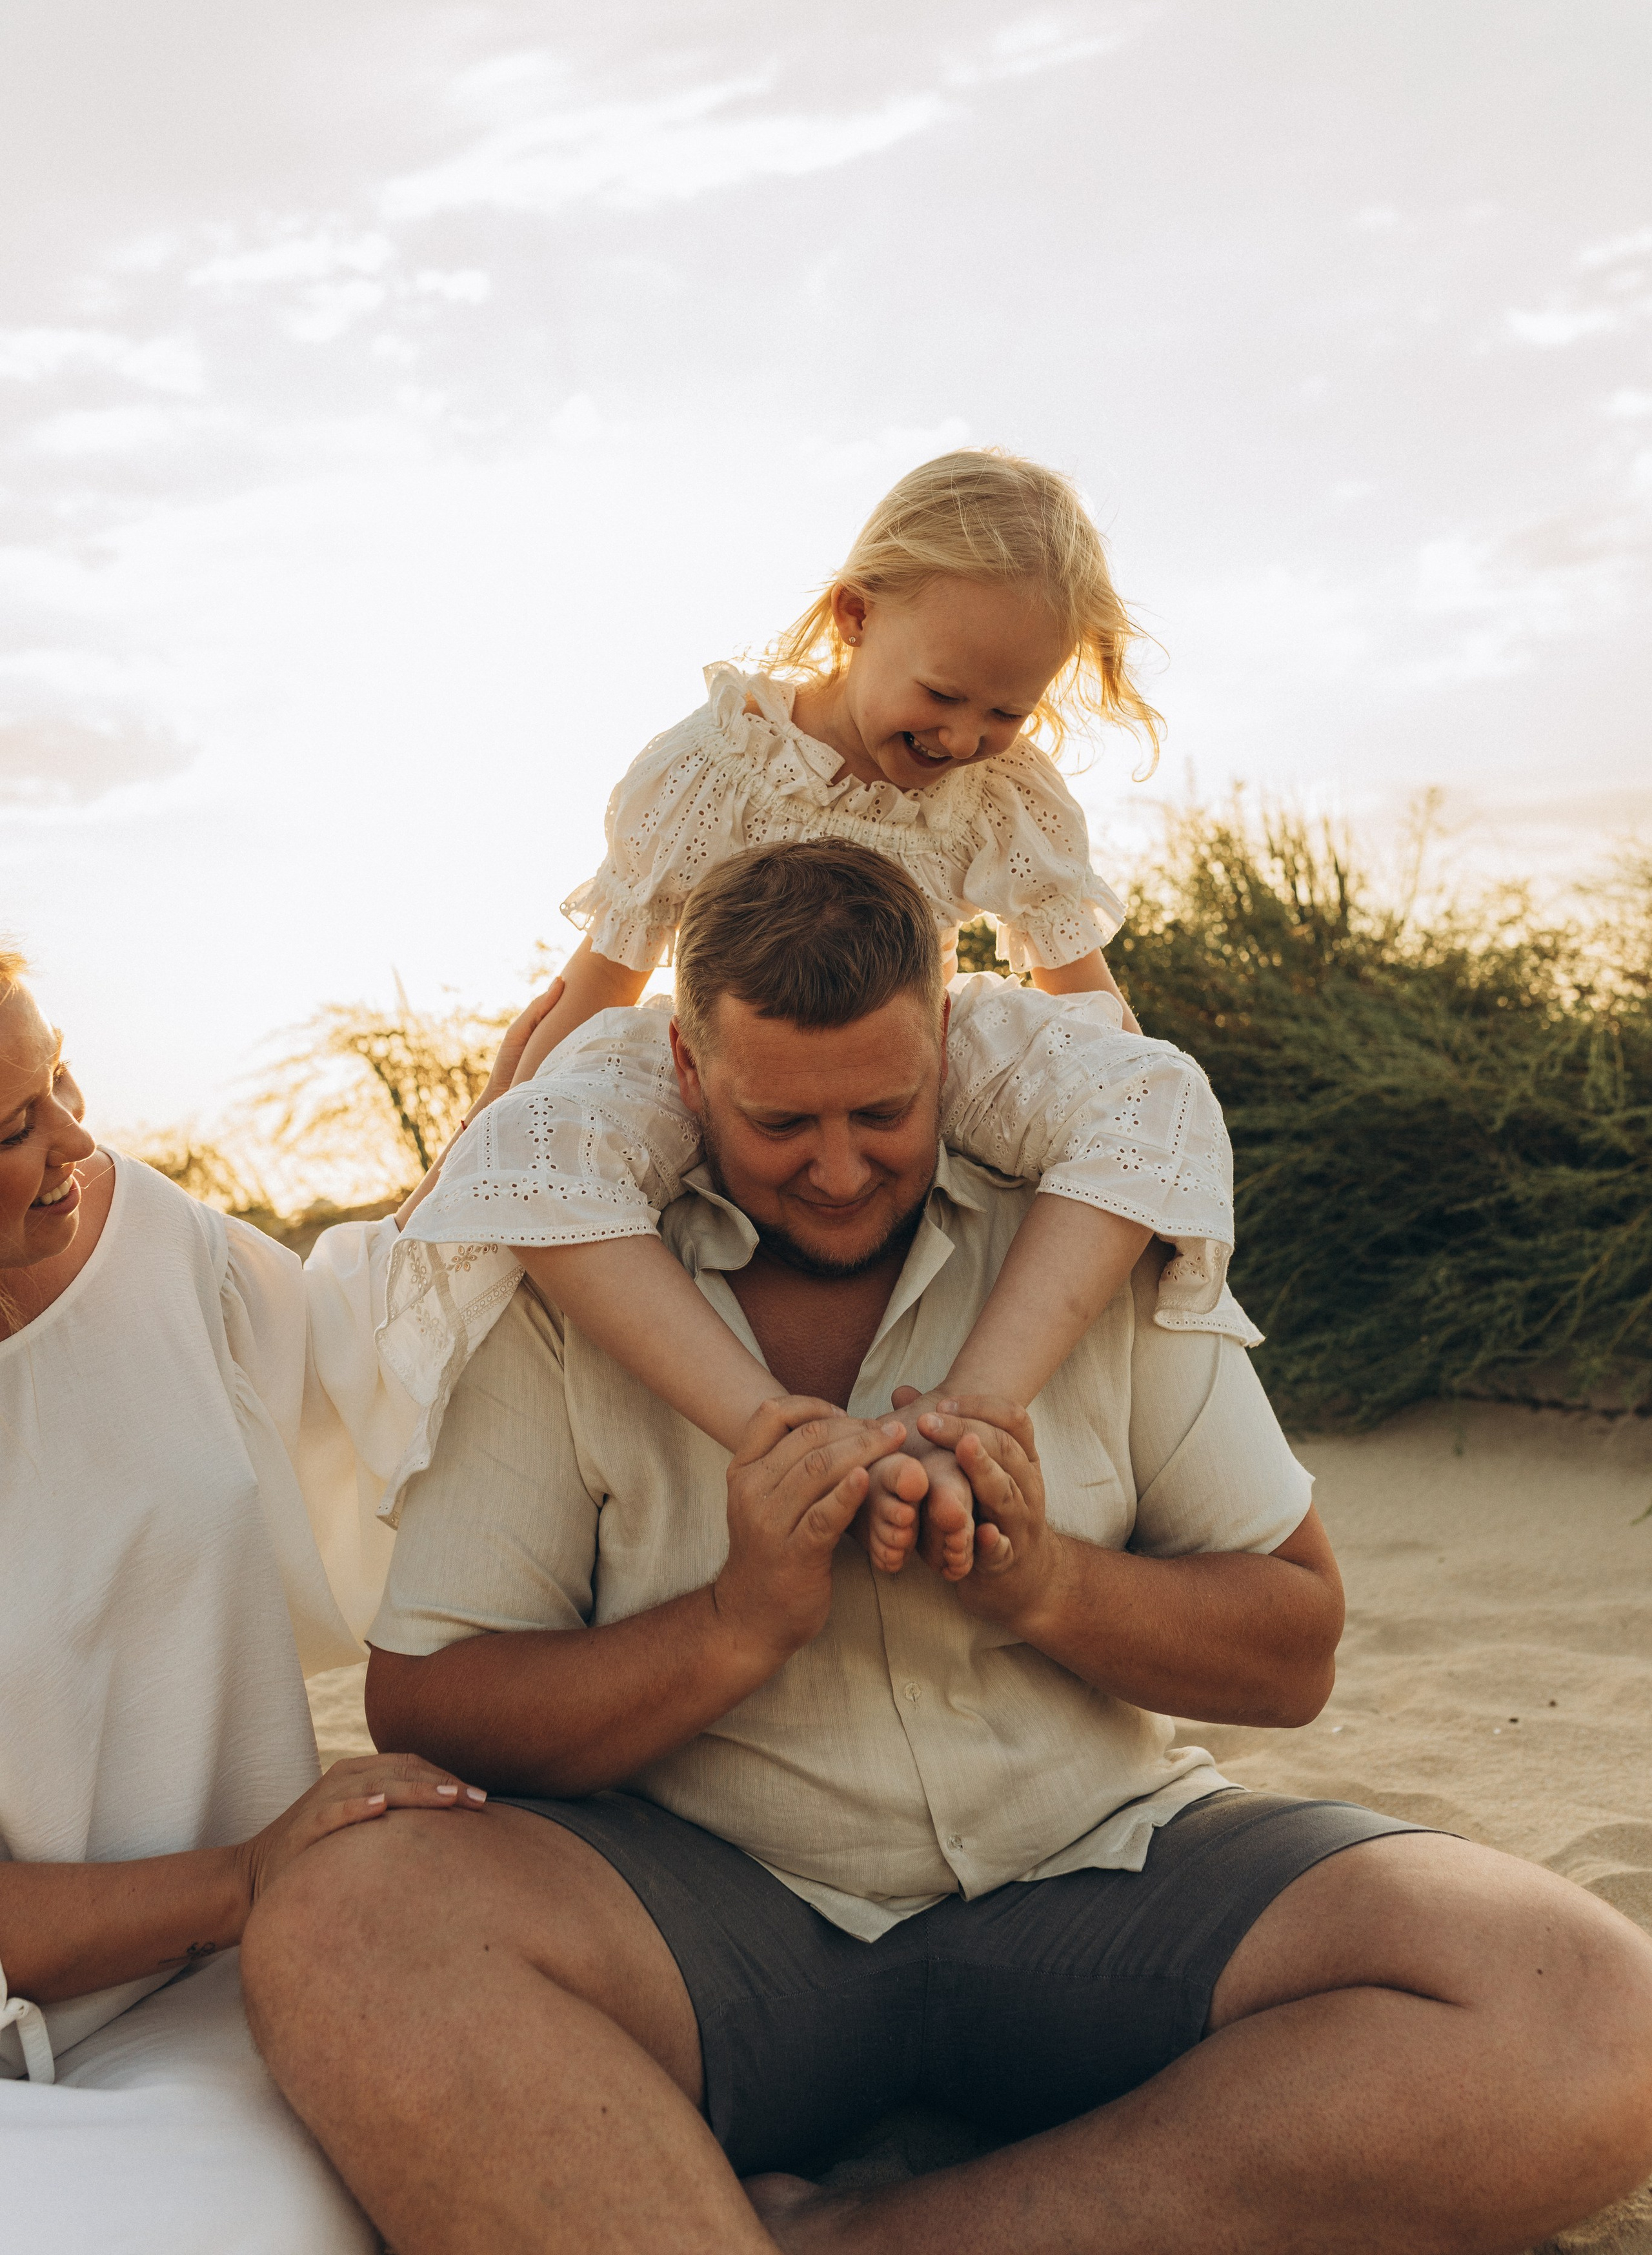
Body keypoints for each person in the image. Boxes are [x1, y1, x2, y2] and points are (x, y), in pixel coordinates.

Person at [240, 844, 1652, 2255]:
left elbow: (1293, 1649)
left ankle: (880, 2237)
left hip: (1103, 1867)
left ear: (948, 1045)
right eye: (780, 1122)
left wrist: (1047, 1582)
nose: (840, 1170)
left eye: (885, 1110)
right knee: (349, 1915)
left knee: (1589, 2009)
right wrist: (736, 1624)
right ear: (684, 1067)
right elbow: (424, 1701)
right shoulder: (567, 1285)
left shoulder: (1092, 1243)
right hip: (703, 1915)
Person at [393, 448, 1252, 1581]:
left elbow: (1085, 998)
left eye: (1008, 708)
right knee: (528, 1154)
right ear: (855, 616)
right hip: (719, 1046)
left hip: (922, 1037)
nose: (964, 737)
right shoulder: (717, 762)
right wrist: (488, 1138)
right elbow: (602, 982)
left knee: (1162, 1094)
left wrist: (1120, 1130)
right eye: (943, 695)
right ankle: (777, 1429)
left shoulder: (1005, 790)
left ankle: (972, 1411)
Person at [0, 945, 556, 2252]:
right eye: (17, 1123)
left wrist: (565, 1038)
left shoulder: (153, 1241)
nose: (81, 1134)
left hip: (195, 2005)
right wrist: (249, 1873)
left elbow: (378, 1363)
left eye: (60, 1072)